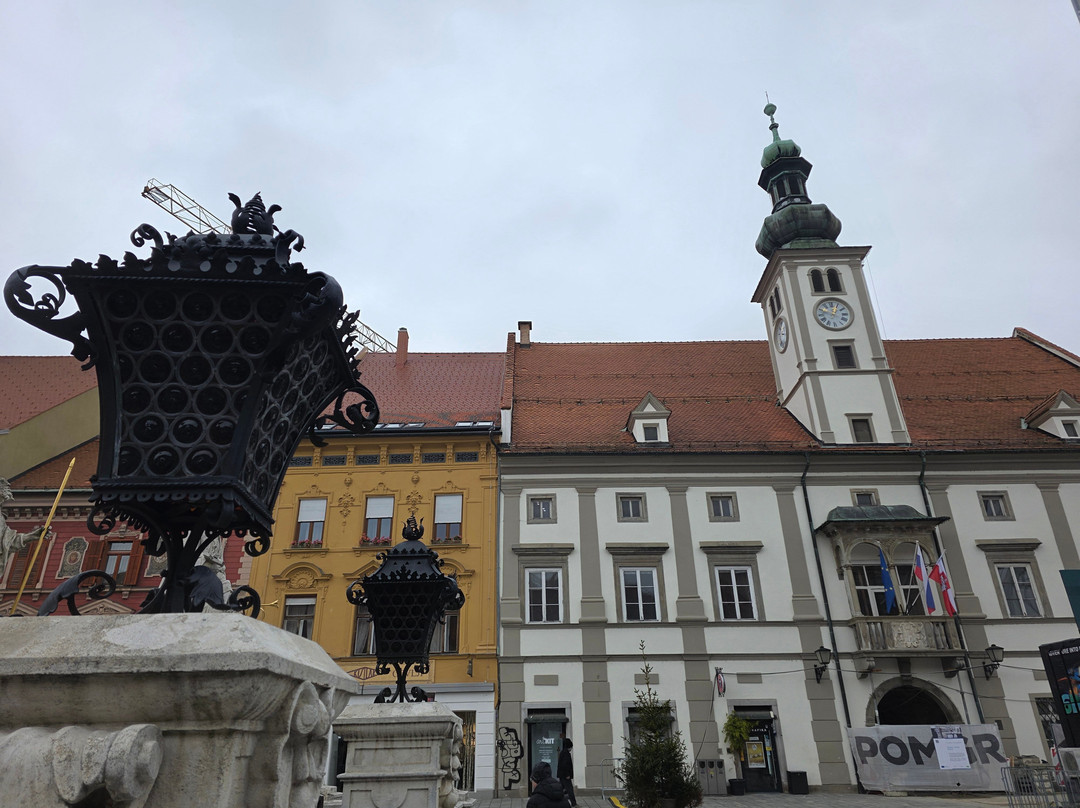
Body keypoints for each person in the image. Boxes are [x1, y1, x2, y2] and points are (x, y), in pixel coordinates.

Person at [557, 738, 577, 807]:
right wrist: (567, 774)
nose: (571, 748)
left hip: (562, 775)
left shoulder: (563, 752)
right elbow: (565, 765)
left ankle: (556, 801)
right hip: (565, 775)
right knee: (570, 790)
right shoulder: (566, 753)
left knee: (560, 789)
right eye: (571, 747)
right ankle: (574, 804)